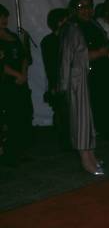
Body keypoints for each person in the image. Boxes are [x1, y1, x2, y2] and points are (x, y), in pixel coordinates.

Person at [59, 0, 109, 174]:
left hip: (93, 77)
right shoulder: (72, 28)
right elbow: (75, 57)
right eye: (81, 6)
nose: (86, 10)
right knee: (81, 120)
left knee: (89, 119)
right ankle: (86, 159)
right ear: (74, 8)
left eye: (89, 6)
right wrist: (100, 53)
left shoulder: (93, 24)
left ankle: (91, 155)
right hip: (79, 79)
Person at [0, 3, 33, 166]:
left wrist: (23, 73)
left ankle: (22, 150)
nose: (4, 20)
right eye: (1, 17)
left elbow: (24, 56)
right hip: (6, 83)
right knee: (9, 117)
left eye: (5, 16)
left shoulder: (12, 35)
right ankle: (9, 152)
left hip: (20, 82)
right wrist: (16, 74)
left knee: (24, 115)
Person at [41, 8, 70, 148]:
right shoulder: (48, 41)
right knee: (62, 111)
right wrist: (53, 85)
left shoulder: (69, 39)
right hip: (58, 82)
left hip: (70, 81)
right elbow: (50, 66)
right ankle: (64, 141)